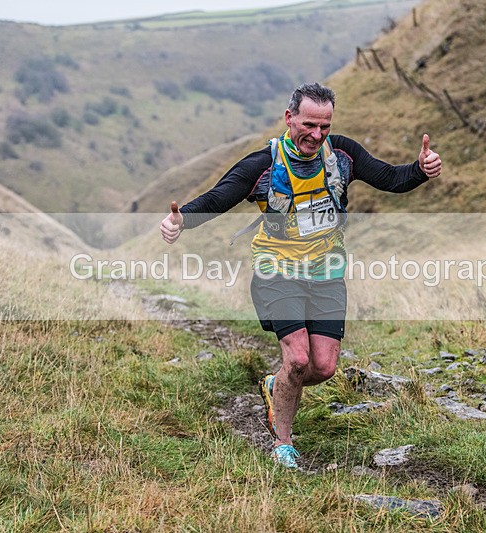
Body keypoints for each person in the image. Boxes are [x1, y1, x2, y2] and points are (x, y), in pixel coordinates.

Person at [160, 82, 441, 468]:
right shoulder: (262, 165)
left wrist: (421, 170)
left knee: (323, 367)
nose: (316, 135)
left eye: (324, 127)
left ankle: (276, 387)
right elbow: (217, 198)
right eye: (309, 124)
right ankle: (283, 444)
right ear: (289, 118)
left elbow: (391, 178)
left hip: (326, 271)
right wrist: (182, 220)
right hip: (276, 270)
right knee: (296, 358)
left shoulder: (343, 154)